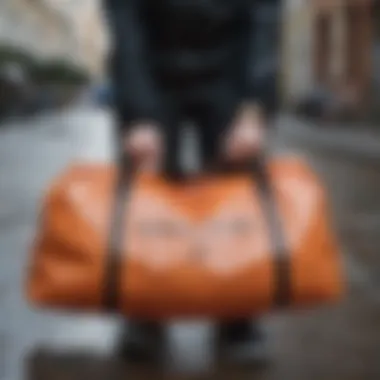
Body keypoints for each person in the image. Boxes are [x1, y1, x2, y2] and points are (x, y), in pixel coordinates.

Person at [102, 0, 282, 364]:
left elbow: (262, 22)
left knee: (237, 190)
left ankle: (237, 317)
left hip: (228, 69)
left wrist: (253, 108)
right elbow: (127, 29)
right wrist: (138, 115)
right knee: (146, 190)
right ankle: (146, 313)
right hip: (152, 66)